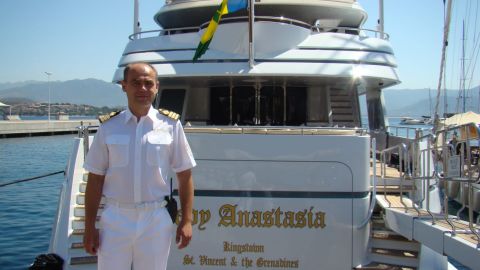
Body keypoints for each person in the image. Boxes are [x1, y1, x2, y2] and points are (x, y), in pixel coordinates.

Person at [82, 62, 196, 270]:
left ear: (156, 87)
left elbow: (185, 174)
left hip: (155, 219)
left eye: (148, 83)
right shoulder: (109, 127)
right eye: (135, 83)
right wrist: (89, 227)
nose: (142, 89)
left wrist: (186, 220)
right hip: (115, 219)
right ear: (124, 86)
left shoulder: (171, 125)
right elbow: (95, 179)